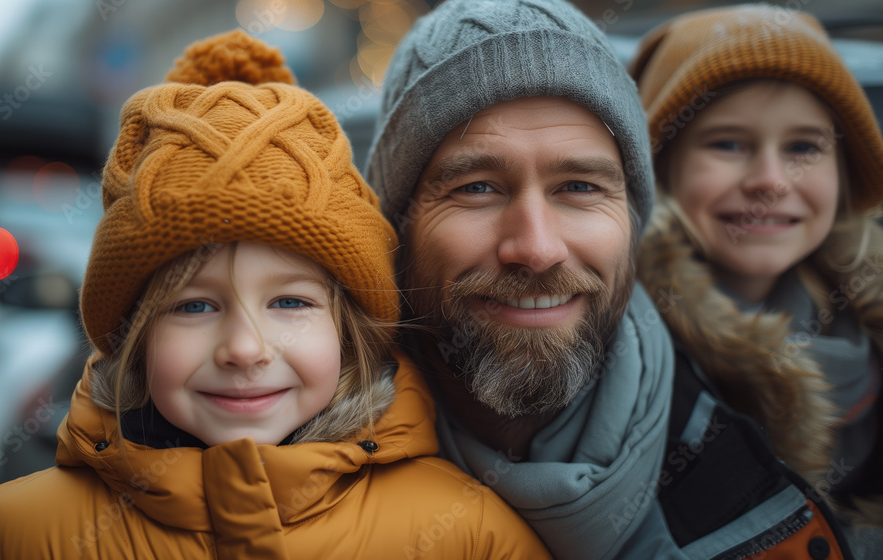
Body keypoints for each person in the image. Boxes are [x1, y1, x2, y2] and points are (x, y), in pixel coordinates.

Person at [0, 30, 550, 559]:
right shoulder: (14, 536)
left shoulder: (469, 537)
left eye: (290, 302)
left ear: (348, 331)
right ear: (135, 332)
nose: (245, 348)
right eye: (193, 305)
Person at [367, 0, 857, 558]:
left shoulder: (741, 453)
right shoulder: (289, 456)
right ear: (397, 226)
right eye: (476, 187)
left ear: (633, 221)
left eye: (579, 186)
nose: (537, 248)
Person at [629, 4, 883, 556]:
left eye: (802, 147)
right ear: (658, 169)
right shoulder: (626, 357)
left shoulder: (864, 326)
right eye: (727, 144)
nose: (770, 181)